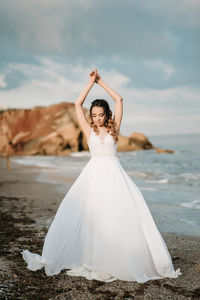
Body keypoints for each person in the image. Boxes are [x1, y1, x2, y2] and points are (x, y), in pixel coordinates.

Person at [21, 69, 181, 283]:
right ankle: (95, 256)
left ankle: (118, 258)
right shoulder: (89, 131)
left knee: (116, 217)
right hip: (93, 177)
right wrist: (89, 84)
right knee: (94, 218)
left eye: (101, 115)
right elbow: (77, 105)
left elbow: (119, 99)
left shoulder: (115, 128)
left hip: (115, 177)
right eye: (94, 115)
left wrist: (101, 82)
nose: (97, 119)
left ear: (107, 115)